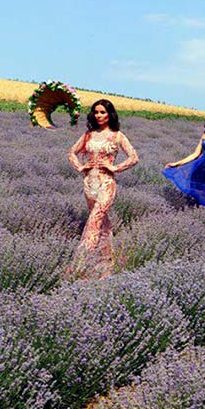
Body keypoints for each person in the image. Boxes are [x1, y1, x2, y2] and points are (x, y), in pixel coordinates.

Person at [67, 99, 138, 276]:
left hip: (106, 184)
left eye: (103, 112)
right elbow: (71, 152)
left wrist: (115, 168)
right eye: (96, 112)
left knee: (94, 221)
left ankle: (80, 265)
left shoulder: (117, 136)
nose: (99, 115)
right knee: (102, 223)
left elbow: (133, 157)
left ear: (110, 114)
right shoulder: (88, 135)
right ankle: (107, 260)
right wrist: (80, 167)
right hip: (89, 184)